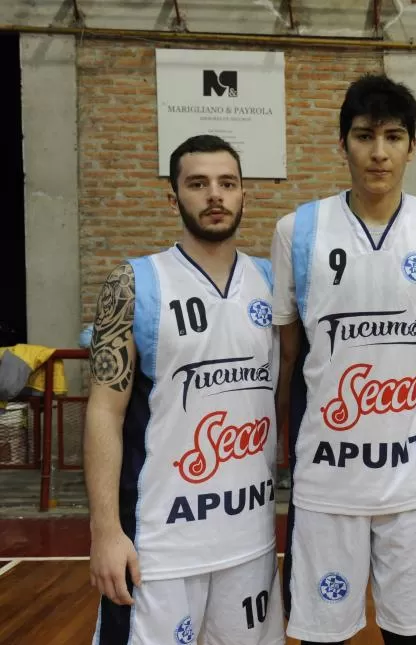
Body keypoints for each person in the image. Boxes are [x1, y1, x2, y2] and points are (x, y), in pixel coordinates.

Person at [271, 73, 416, 645]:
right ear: (342, 143)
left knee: (412, 634)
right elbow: (290, 355)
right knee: (324, 633)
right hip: (329, 476)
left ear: (411, 145)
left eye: (393, 136)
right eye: (363, 136)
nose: (378, 152)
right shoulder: (297, 231)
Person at [84, 134, 285, 645]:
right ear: (173, 197)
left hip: (250, 541)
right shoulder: (133, 283)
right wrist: (105, 532)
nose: (215, 195)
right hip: (161, 546)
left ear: (244, 195)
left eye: (228, 183)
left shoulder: (274, 284)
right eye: (198, 184)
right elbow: (104, 413)